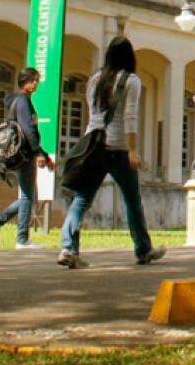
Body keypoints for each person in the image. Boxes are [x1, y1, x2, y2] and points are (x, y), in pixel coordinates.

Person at [58, 37, 165, 269]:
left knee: (81, 199)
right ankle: (143, 249)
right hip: (117, 148)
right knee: (132, 200)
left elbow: (92, 111)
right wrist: (133, 150)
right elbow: (130, 116)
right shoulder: (131, 80)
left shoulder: (96, 78)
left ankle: (68, 247)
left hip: (93, 145)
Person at [0, 68, 55, 249]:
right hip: (24, 155)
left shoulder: (17, 100)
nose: (36, 83)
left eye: (37, 80)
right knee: (27, 197)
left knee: (28, 196)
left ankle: (1, 226)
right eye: (34, 80)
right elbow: (29, 130)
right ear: (26, 82)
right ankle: (17, 236)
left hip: (20, 154)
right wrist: (42, 154)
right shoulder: (23, 101)